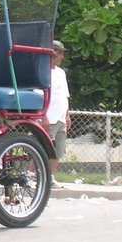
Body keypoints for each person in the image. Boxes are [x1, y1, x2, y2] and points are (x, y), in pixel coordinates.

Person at [43, 40, 70, 186]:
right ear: (53, 53)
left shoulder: (61, 73)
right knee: (44, 149)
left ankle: (50, 177)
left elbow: (65, 95)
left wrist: (67, 115)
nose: (62, 57)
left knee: (57, 152)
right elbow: (40, 96)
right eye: (61, 53)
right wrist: (43, 117)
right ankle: (29, 174)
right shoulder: (42, 72)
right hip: (49, 118)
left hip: (61, 118)